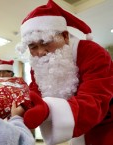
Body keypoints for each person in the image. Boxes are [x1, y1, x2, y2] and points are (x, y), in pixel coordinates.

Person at [16, 0, 113, 145]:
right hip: (73, 128)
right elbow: (36, 90)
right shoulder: (38, 62)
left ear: (65, 36)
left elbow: (95, 99)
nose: (40, 52)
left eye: (46, 42)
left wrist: (48, 111)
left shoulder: (93, 53)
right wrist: (23, 106)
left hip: (105, 125)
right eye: (33, 46)